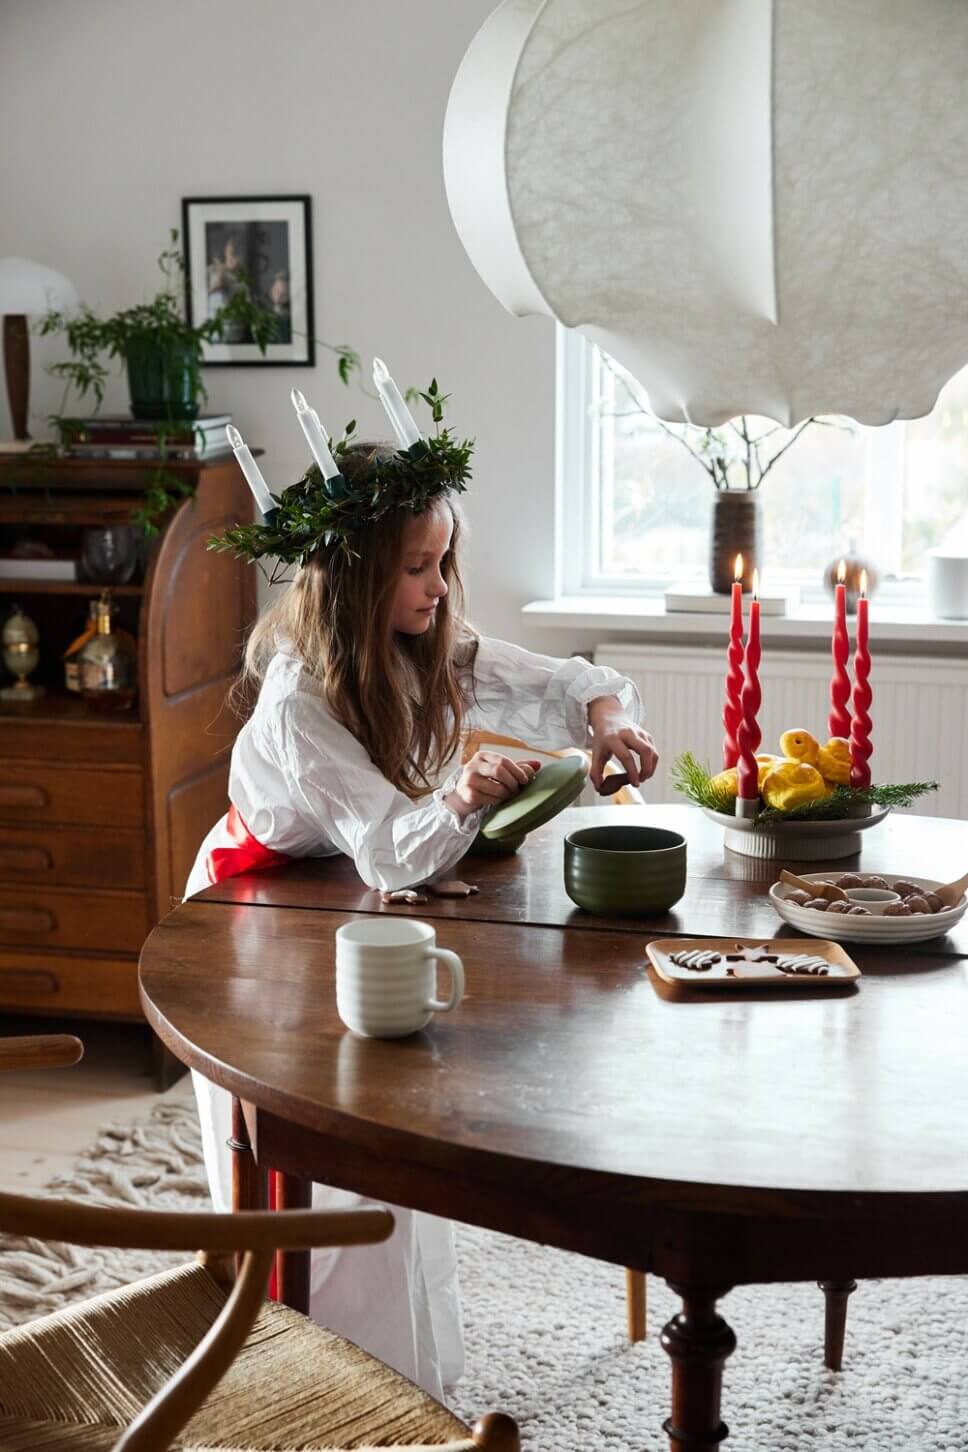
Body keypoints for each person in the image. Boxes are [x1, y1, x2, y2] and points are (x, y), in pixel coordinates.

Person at [187, 419, 658, 1399]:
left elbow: (567, 685)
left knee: (393, 1139)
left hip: (338, 902)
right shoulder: (298, 705)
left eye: (442, 562)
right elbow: (389, 848)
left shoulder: (421, 642)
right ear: (354, 578)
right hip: (255, 923)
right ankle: (319, 1387)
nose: (437, 588)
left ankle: (413, 1388)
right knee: (317, 1155)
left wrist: (608, 721)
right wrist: (461, 795)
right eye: (416, 567)